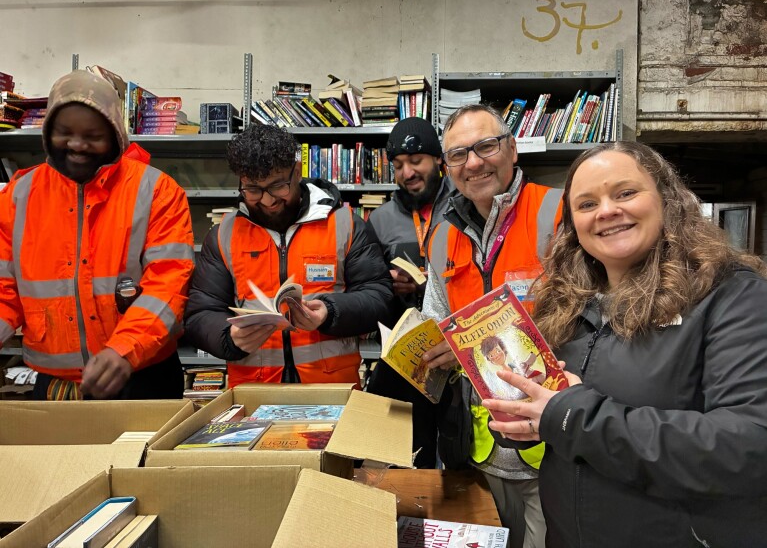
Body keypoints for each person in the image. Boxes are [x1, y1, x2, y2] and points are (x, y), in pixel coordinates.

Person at [484, 141, 767, 547]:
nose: (606, 211)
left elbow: (749, 444)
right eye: (586, 204)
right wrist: (528, 418)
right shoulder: (568, 304)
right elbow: (568, 426)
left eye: (625, 193)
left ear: (667, 200)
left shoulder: (732, 296)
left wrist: (571, 416)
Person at [0, 70, 194, 400]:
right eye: (65, 132)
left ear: (115, 135)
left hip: (142, 376)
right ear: (48, 133)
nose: (77, 144)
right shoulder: (19, 196)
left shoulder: (156, 190)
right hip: (55, 385)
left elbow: (169, 283)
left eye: (93, 134)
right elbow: (4, 290)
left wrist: (125, 348)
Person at [420, 104, 562, 548]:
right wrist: (430, 345)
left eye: (486, 146)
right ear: (447, 167)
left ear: (513, 149)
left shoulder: (559, 212)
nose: (474, 163)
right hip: (477, 449)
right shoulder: (442, 235)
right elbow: (434, 317)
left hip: (550, 448)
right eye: (459, 154)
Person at [183, 123, 393, 387]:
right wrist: (228, 338)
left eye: (278, 186)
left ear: (297, 172)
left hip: (331, 391)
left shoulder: (345, 224)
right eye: (253, 190)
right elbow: (200, 313)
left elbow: (379, 297)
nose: (268, 201)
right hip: (254, 395)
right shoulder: (224, 234)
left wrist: (329, 313)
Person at [366, 117, 455, 468]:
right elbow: (370, 287)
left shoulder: (461, 208)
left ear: (438, 160)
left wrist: (425, 286)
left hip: (456, 353)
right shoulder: (380, 219)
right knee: (408, 455)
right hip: (406, 359)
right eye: (399, 165)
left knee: (454, 454)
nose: (407, 173)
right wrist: (388, 284)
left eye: (416, 161)